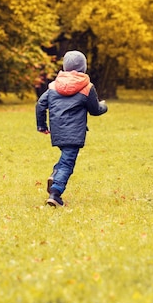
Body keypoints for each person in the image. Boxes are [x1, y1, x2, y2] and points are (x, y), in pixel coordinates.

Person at [36, 50, 108, 207]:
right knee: (68, 163)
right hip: (74, 133)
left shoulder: (53, 86)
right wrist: (104, 106)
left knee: (65, 157)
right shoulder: (87, 87)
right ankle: (55, 192)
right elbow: (95, 110)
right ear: (84, 68)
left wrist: (42, 125)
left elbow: (40, 104)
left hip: (57, 131)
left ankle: (55, 174)